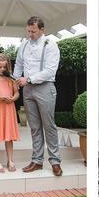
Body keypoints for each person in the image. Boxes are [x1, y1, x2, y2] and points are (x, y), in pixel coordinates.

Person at [13, 16, 62, 176]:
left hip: (45, 87)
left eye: (33, 31)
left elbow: (50, 70)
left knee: (49, 126)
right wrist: (14, 79)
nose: (30, 34)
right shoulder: (24, 44)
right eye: (28, 31)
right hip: (27, 90)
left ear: (42, 30)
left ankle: (55, 161)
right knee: (34, 127)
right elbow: (19, 64)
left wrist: (27, 79)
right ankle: (37, 161)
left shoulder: (51, 44)